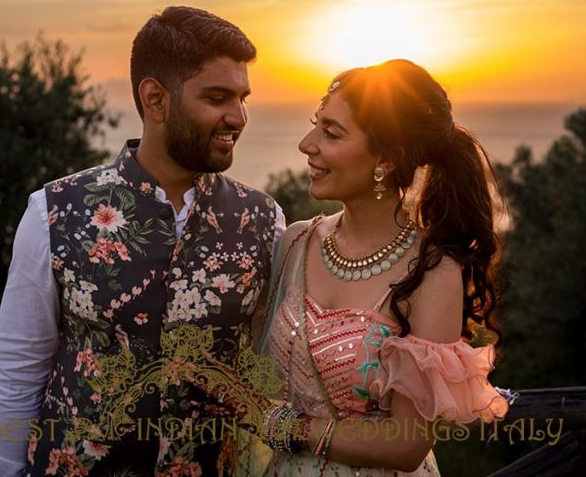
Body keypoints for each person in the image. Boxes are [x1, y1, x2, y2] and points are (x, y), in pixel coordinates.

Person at [0, 6, 285, 477]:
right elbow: (19, 366)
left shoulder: (265, 221)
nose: (238, 116)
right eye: (218, 97)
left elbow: (273, 369)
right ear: (155, 99)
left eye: (243, 97)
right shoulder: (55, 212)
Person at [196, 59, 512, 476]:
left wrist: (277, 424)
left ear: (386, 158)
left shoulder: (433, 272)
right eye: (316, 124)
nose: (307, 144)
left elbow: (407, 445)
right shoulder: (295, 243)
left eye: (331, 133)